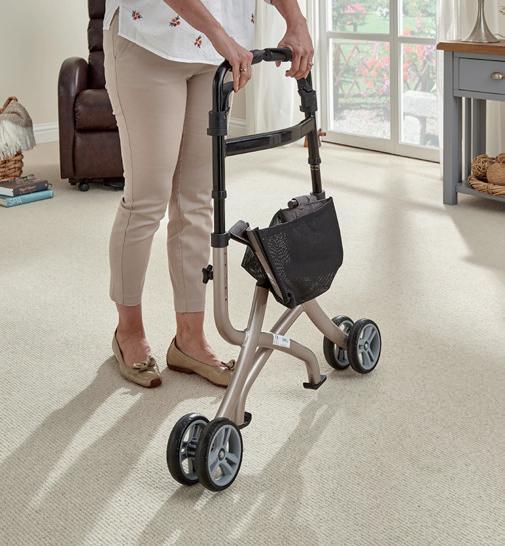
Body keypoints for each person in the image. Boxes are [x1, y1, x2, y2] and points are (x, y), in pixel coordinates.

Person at [104, 0, 314, 388]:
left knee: (197, 199)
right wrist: (217, 33)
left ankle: (189, 339)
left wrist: (295, 19)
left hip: (217, 52)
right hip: (150, 37)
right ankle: (128, 331)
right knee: (147, 200)